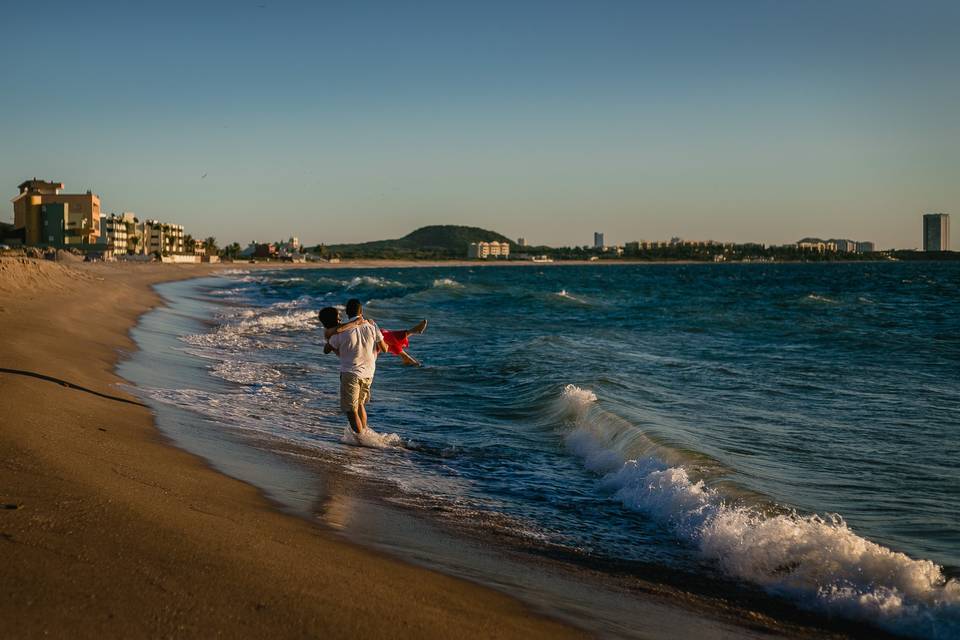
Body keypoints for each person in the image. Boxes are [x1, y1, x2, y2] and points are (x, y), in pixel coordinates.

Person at [320, 299, 387, 435]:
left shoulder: (338, 333)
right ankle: (365, 435)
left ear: (346, 313)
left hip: (351, 373)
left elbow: (326, 350)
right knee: (360, 405)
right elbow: (384, 348)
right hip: (369, 372)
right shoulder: (372, 324)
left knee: (351, 411)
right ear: (361, 311)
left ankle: (362, 440)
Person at [318, 306, 428, 367]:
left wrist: (363, 323)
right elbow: (340, 329)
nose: (340, 320)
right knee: (382, 334)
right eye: (338, 318)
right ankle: (411, 333)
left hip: (357, 354)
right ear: (331, 320)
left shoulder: (332, 330)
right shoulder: (331, 331)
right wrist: (357, 322)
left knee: (382, 336)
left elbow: (344, 328)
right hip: (357, 356)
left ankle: (406, 357)